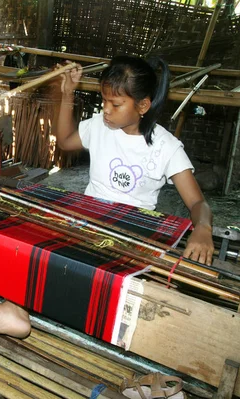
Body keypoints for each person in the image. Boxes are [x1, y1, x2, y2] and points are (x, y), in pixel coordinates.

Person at [56, 56, 214, 265]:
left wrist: (203, 227)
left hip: (133, 236)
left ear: (142, 106)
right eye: (104, 100)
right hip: (88, 223)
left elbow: (197, 202)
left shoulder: (165, 147)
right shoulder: (99, 127)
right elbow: (65, 142)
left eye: (115, 104)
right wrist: (67, 93)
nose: (106, 109)